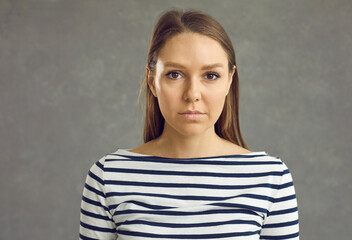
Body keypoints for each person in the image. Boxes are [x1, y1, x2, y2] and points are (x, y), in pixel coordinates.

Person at [79, 8, 299, 240]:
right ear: (152, 81)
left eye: (211, 75)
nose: (192, 94)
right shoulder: (108, 177)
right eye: (175, 74)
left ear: (229, 81)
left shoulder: (271, 178)